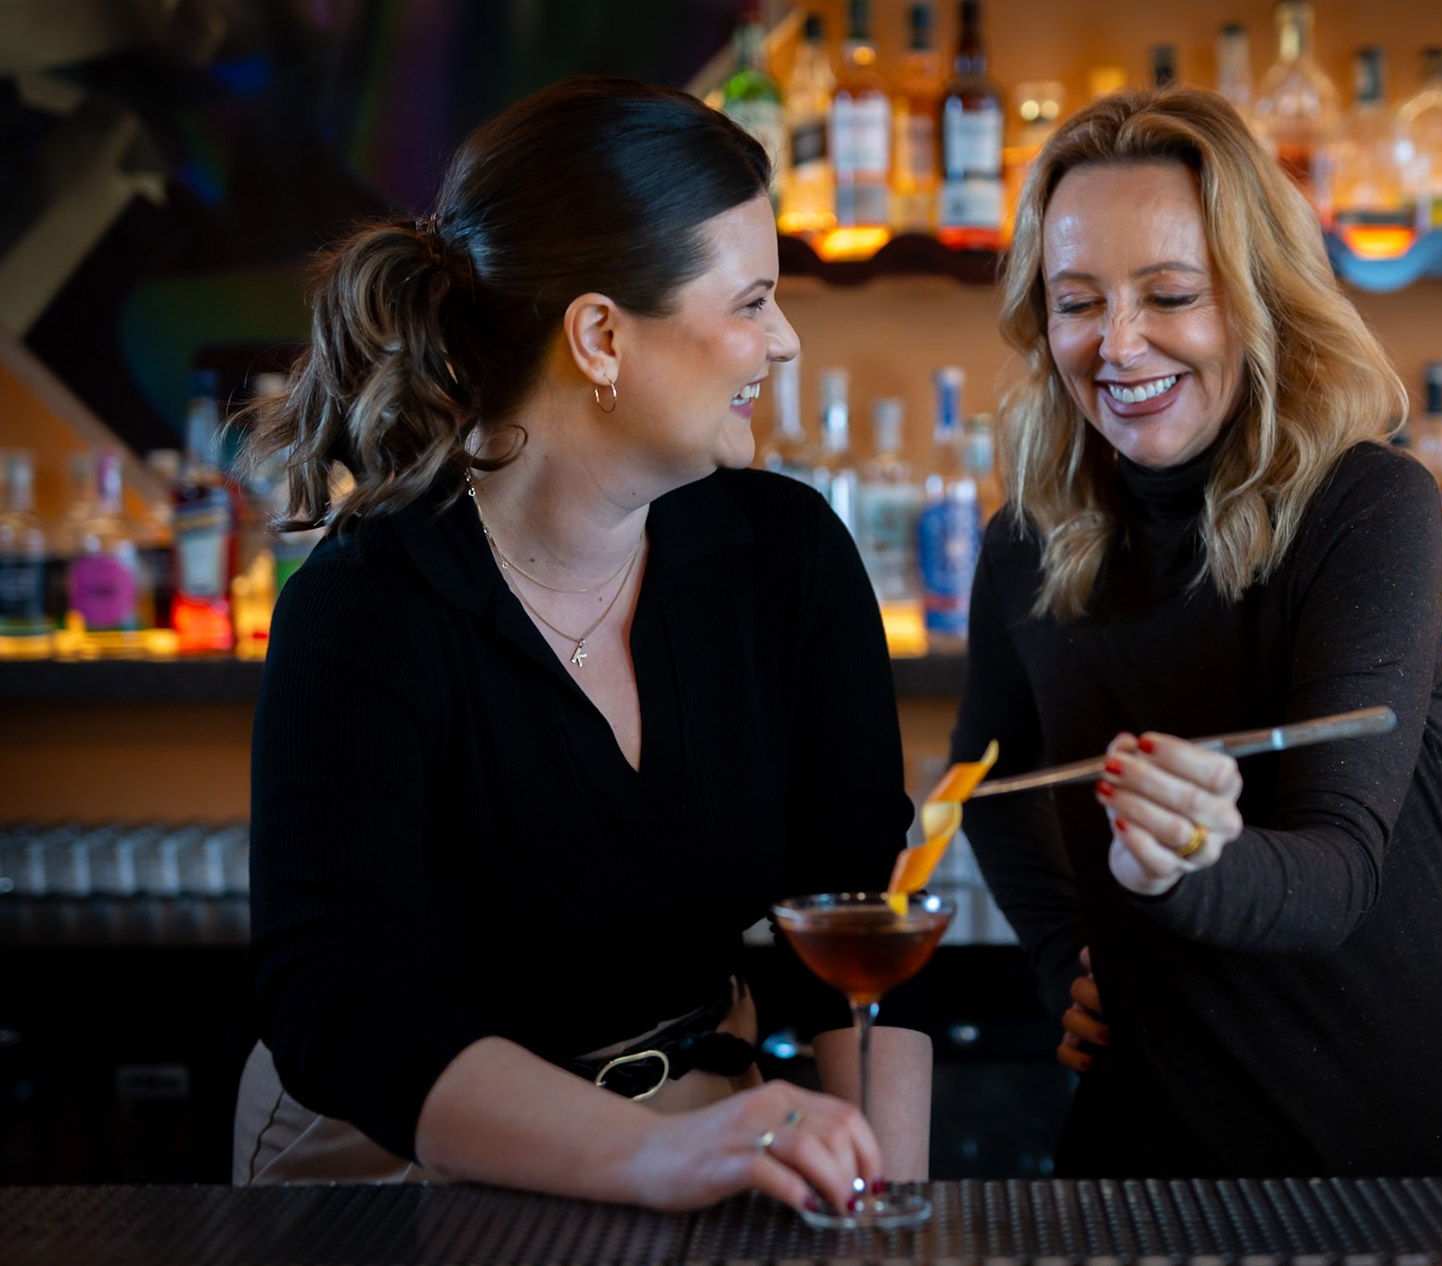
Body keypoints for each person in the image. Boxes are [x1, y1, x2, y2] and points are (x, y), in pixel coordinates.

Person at [233, 77, 930, 1215]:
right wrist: (650, 1159)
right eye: (753, 300)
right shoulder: (367, 610)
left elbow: (856, 927)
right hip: (399, 1157)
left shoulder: (784, 556)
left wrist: (887, 1209)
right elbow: (339, 1004)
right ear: (600, 336)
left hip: (703, 1117)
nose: (785, 342)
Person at [952, 87, 1442, 1179]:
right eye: (1075, 301)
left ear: (1257, 299)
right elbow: (982, 781)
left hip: (1395, 1150)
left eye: (1169, 294)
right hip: (1147, 1137)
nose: (1116, 345)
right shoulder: (1027, 539)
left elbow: (1332, 873)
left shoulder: (1367, 506)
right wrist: (1062, 960)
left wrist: (1181, 864)